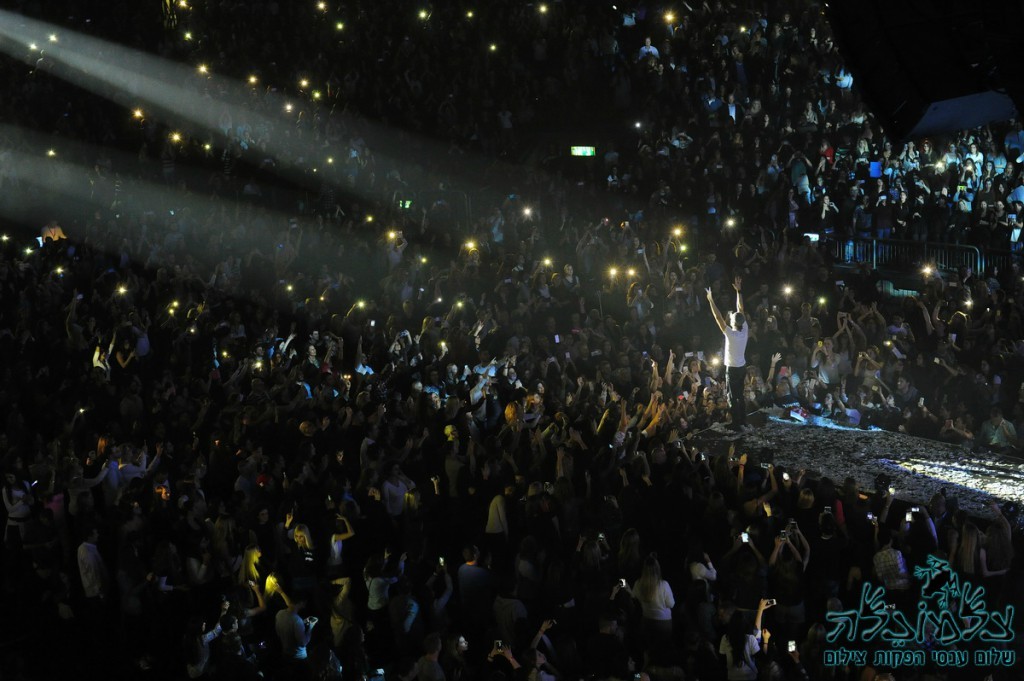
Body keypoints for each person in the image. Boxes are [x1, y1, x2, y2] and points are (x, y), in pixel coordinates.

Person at [706, 276, 750, 430]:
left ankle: (736, 423)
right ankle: (743, 420)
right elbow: (741, 309)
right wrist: (739, 291)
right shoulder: (745, 329)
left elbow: (718, 317)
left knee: (733, 396)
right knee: (740, 395)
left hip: (732, 369)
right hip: (742, 367)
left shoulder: (731, 334)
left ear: (733, 322)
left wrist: (711, 300)